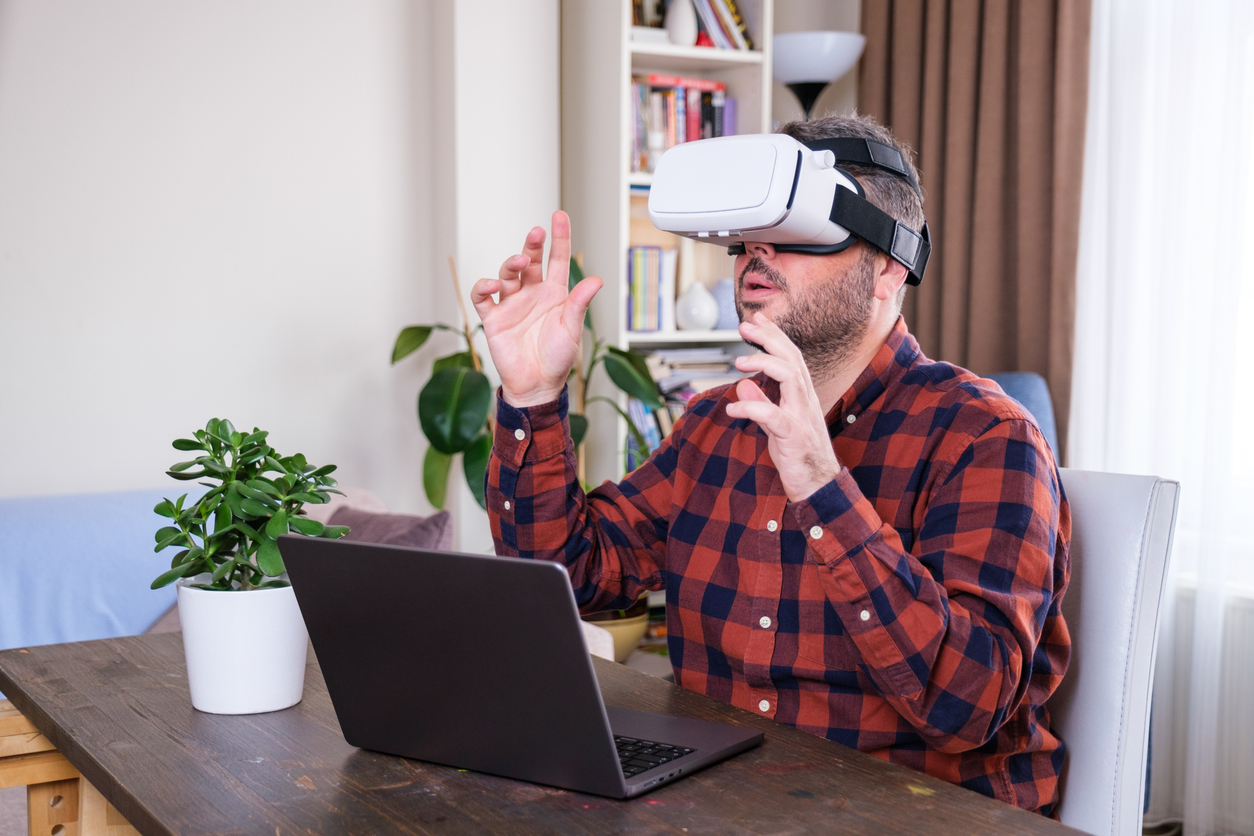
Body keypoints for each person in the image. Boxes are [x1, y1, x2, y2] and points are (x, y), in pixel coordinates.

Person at [470, 114, 1070, 816]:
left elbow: (969, 706)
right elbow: (569, 575)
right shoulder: (715, 424)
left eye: (792, 234)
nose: (756, 255)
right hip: (726, 804)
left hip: (916, 815)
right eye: (748, 238)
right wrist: (533, 395)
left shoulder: (985, 437)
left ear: (888, 267)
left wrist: (823, 489)